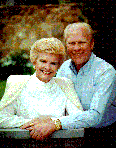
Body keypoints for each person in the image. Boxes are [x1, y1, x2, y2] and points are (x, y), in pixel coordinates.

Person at [0, 37, 83, 141]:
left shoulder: (65, 85)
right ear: (34, 62)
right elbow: (1, 118)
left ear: (58, 66)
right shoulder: (17, 83)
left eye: (53, 63)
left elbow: (80, 118)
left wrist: (52, 123)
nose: (47, 67)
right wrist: (35, 123)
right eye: (43, 61)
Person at [56, 22, 116, 145]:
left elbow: (95, 116)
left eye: (81, 42)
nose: (76, 48)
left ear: (92, 44)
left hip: (104, 136)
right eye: (72, 43)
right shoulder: (63, 68)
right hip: (70, 133)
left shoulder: (106, 72)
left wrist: (56, 123)